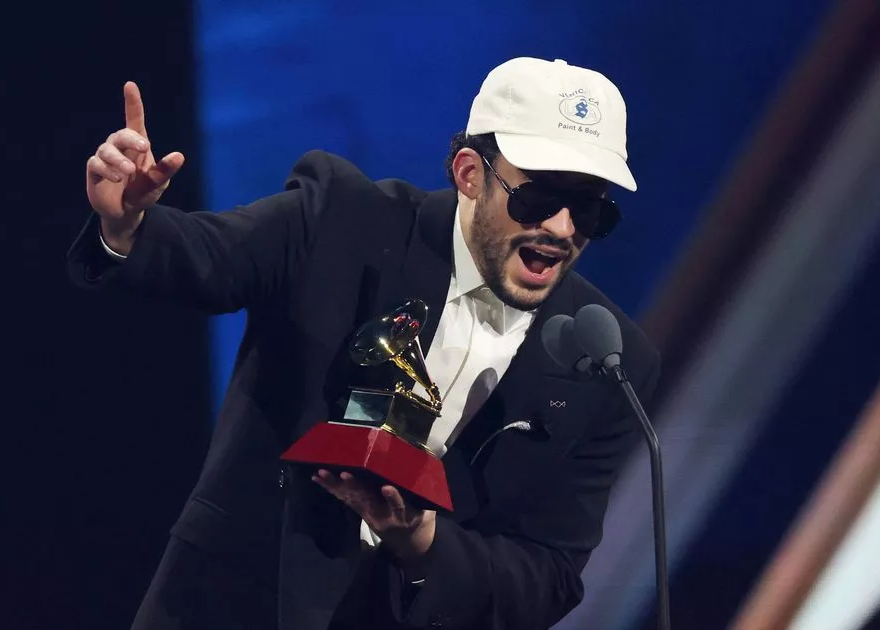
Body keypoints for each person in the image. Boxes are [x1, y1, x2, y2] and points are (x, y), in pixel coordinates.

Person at [69, 57, 660, 630]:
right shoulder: (343, 220)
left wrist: (422, 540)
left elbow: (546, 578)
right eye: (536, 199)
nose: (561, 228)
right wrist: (127, 226)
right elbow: (212, 256)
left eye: (588, 209)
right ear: (470, 174)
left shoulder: (611, 363)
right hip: (236, 601)